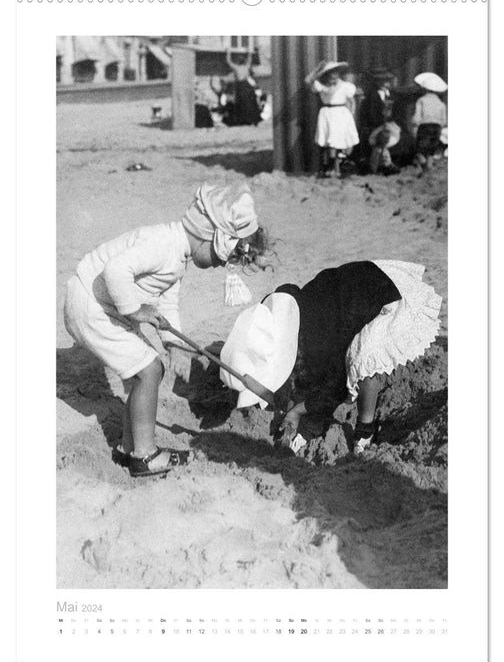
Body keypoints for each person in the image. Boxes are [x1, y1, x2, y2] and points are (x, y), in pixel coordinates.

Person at [64, 183, 272, 477]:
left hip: (100, 305)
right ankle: (145, 456)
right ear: (209, 236)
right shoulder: (163, 245)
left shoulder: (177, 255)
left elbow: (168, 304)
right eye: (221, 257)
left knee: (149, 370)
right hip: (90, 305)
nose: (219, 265)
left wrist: (174, 344)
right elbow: (115, 271)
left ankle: (129, 447)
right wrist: (136, 310)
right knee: (148, 370)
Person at [220, 260, 442, 455]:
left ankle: (365, 431)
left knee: (363, 358)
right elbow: (287, 289)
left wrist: (297, 410)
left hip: (388, 292)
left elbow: (336, 390)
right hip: (363, 277)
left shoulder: (319, 344)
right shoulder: (284, 314)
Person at [305, 61, 359, 178]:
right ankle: (331, 168)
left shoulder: (345, 86)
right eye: (330, 74)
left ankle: (338, 167)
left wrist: (351, 114)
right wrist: (317, 71)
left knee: (339, 140)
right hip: (327, 113)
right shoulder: (321, 86)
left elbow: (352, 100)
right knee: (330, 142)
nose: (333, 76)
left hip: (340, 113)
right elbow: (308, 81)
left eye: (335, 73)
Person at [411, 72, 448, 171]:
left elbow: (417, 118)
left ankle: (425, 167)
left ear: (425, 88)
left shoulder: (421, 100)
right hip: (437, 128)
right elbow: (444, 120)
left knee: (420, 151)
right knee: (431, 151)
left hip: (425, 127)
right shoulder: (441, 104)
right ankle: (429, 170)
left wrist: (414, 124)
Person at [224, 48, 262, 126]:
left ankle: (249, 120)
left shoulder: (238, 67)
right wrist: (249, 52)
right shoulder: (245, 66)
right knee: (248, 102)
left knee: (245, 102)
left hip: (242, 85)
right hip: (243, 85)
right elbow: (249, 60)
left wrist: (228, 52)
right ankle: (249, 120)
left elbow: (229, 61)